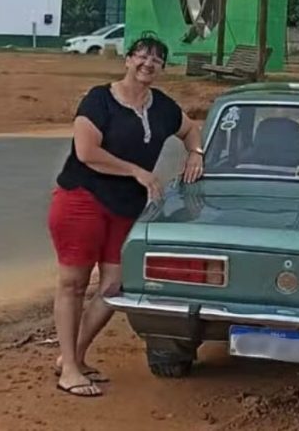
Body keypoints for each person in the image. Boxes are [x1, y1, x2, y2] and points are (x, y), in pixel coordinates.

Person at [47, 35, 205, 397]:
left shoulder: (162, 107)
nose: (148, 63)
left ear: (162, 68)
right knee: (73, 283)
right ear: (128, 60)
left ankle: (73, 356)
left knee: (116, 285)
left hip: (127, 208)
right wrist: (136, 171)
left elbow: (190, 128)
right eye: (142, 56)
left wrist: (195, 153)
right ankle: (70, 368)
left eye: (157, 60)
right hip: (82, 199)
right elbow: (86, 151)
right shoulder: (100, 99)